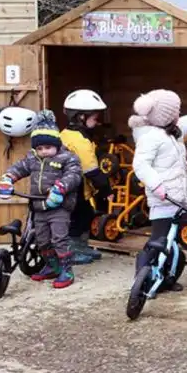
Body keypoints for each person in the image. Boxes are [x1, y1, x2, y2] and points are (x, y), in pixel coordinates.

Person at [129, 88, 187, 291]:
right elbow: (141, 165)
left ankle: (165, 279)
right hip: (163, 198)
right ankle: (141, 280)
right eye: (175, 111)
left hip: (178, 197)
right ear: (165, 116)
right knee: (158, 241)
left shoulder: (172, 130)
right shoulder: (151, 137)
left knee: (172, 242)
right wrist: (157, 185)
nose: (178, 114)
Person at [0, 116, 83, 289]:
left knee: (59, 238)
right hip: (38, 207)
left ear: (57, 145)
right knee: (42, 240)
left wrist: (60, 188)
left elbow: (74, 176)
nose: (44, 151)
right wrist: (8, 179)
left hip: (59, 207)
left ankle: (67, 269)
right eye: (40, 148)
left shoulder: (68, 158)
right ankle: (52, 266)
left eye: (48, 147)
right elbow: (19, 168)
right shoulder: (32, 158)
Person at [60, 89, 111, 266]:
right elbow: (91, 170)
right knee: (79, 217)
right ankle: (72, 251)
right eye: (94, 119)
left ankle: (81, 246)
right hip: (75, 187)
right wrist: (106, 190)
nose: (97, 123)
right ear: (81, 117)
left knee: (86, 214)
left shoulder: (67, 134)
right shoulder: (79, 141)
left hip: (71, 185)